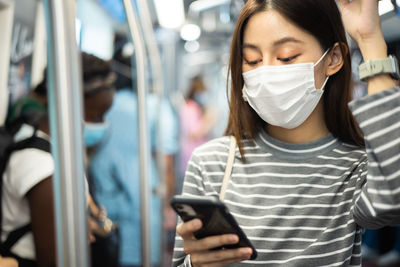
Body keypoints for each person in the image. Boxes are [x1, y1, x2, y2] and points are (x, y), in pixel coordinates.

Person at [172, 0, 400, 266]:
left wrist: (370, 40)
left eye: (287, 56)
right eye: (252, 60)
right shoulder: (211, 163)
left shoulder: (355, 168)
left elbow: (393, 201)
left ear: (333, 59)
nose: (266, 72)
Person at [2, 52, 115, 267]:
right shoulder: (42, 167)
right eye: (95, 115)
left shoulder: (58, 151)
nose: (101, 124)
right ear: (68, 104)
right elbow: (54, 260)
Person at [88, 43, 179, 267]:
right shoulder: (158, 108)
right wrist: (168, 207)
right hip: (144, 212)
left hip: (102, 210)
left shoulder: (102, 104)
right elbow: (165, 165)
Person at [179, 76, 218, 180]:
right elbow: (194, 134)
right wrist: (209, 119)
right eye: (202, 91)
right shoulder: (189, 108)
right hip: (191, 158)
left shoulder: (198, 108)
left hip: (199, 158)